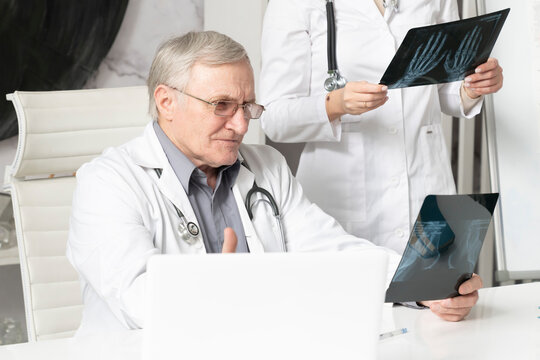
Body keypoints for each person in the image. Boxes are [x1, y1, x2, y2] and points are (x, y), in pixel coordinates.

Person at [67, 31, 481, 336]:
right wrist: (216, 287)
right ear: (166, 101)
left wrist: (425, 285)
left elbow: (332, 251)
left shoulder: (264, 166)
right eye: (221, 106)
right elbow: (141, 302)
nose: (242, 124)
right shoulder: (107, 184)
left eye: (247, 106)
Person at [260, 0, 503, 255]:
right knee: (353, 290)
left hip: (427, 190)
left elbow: (445, 89)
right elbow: (274, 117)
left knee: (437, 293)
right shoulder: (293, 4)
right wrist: (335, 105)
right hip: (341, 207)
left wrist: (473, 88)